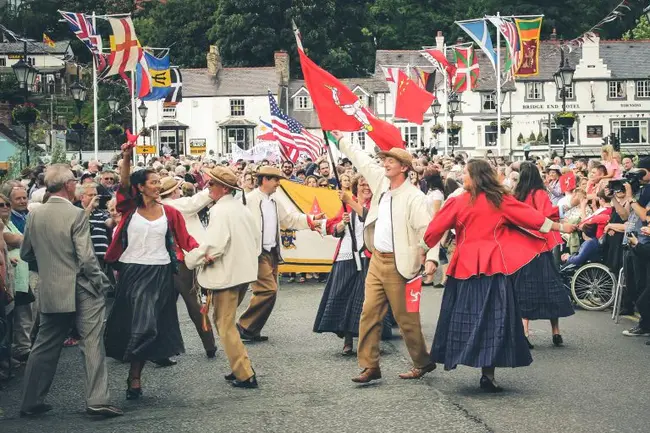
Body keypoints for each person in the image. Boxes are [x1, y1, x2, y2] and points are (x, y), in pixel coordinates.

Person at [422, 159, 574, 392]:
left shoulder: (458, 201)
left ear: (475, 177)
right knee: (494, 320)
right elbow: (531, 218)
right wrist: (561, 228)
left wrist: (424, 254)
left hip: (463, 268)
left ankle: (458, 356)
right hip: (494, 267)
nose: (463, 177)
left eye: (465, 174)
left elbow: (434, 229)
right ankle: (488, 375)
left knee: (461, 316)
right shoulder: (500, 200)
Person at [333, 130, 439, 384]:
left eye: (390, 160)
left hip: (399, 264)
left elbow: (429, 230)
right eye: (385, 159)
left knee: (406, 320)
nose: (385, 163)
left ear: (404, 168)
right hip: (376, 260)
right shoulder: (380, 180)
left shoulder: (415, 197)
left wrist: (432, 257)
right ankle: (370, 366)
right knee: (368, 313)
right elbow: (361, 159)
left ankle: (423, 362)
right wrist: (341, 140)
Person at [19, 164, 122, 418]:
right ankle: (97, 400)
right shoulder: (76, 214)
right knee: (92, 342)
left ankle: (30, 401)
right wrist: (101, 283)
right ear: (67, 185)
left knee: (44, 344)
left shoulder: (34, 215)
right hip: (82, 285)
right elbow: (87, 259)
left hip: (51, 285)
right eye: (74, 183)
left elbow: (25, 253)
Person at [104, 145, 199, 400]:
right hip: (132, 271)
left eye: (159, 181)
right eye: (154, 182)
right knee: (139, 324)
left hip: (160, 273)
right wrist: (126, 156)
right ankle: (134, 373)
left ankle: (135, 373)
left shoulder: (170, 213)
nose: (158, 185)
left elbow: (186, 239)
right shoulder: (128, 207)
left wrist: (204, 254)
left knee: (149, 325)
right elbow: (123, 183)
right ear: (141, 187)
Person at [185, 167, 261, 388]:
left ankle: (245, 373)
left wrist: (192, 259)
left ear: (224, 188)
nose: (208, 188)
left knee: (224, 325)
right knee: (225, 323)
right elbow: (254, 239)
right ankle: (240, 366)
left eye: (211, 184)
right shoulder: (240, 208)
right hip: (241, 274)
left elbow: (214, 246)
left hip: (227, 276)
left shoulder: (221, 210)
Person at [238, 166, 322, 342]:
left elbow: (290, 219)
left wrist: (311, 220)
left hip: (272, 252)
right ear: (265, 180)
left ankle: (251, 329)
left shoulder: (275, 201)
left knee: (269, 292)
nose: (278, 184)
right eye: (276, 180)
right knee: (268, 290)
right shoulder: (248, 200)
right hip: (257, 253)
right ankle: (244, 325)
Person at [513, 162, 575, 348]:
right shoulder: (539, 193)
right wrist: (568, 207)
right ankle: (556, 332)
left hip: (522, 249)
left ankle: (524, 331)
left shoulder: (517, 196)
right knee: (550, 287)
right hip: (541, 247)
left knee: (524, 290)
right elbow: (547, 214)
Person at [159, 176, 217, 359]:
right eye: (178, 189)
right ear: (173, 191)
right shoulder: (175, 205)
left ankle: (160, 351)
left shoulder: (154, 208)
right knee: (193, 303)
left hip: (161, 262)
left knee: (162, 307)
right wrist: (216, 186)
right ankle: (209, 344)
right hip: (180, 261)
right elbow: (195, 201)